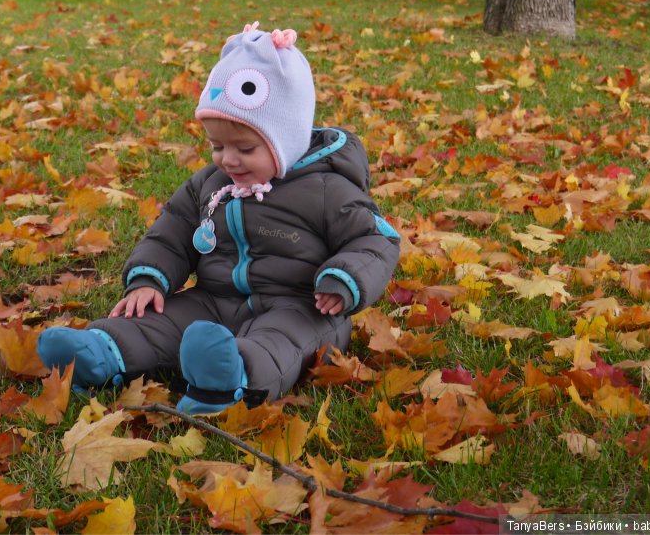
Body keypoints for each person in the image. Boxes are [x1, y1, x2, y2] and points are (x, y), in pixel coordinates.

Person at [37, 22, 400, 414]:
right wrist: (148, 278)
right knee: (167, 319)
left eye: (245, 148)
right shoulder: (210, 183)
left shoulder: (328, 190)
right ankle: (101, 352)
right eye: (217, 146)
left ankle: (232, 377)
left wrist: (342, 278)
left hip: (300, 305)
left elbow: (376, 241)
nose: (228, 159)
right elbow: (171, 232)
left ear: (287, 139)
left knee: (279, 341)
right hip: (213, 299)